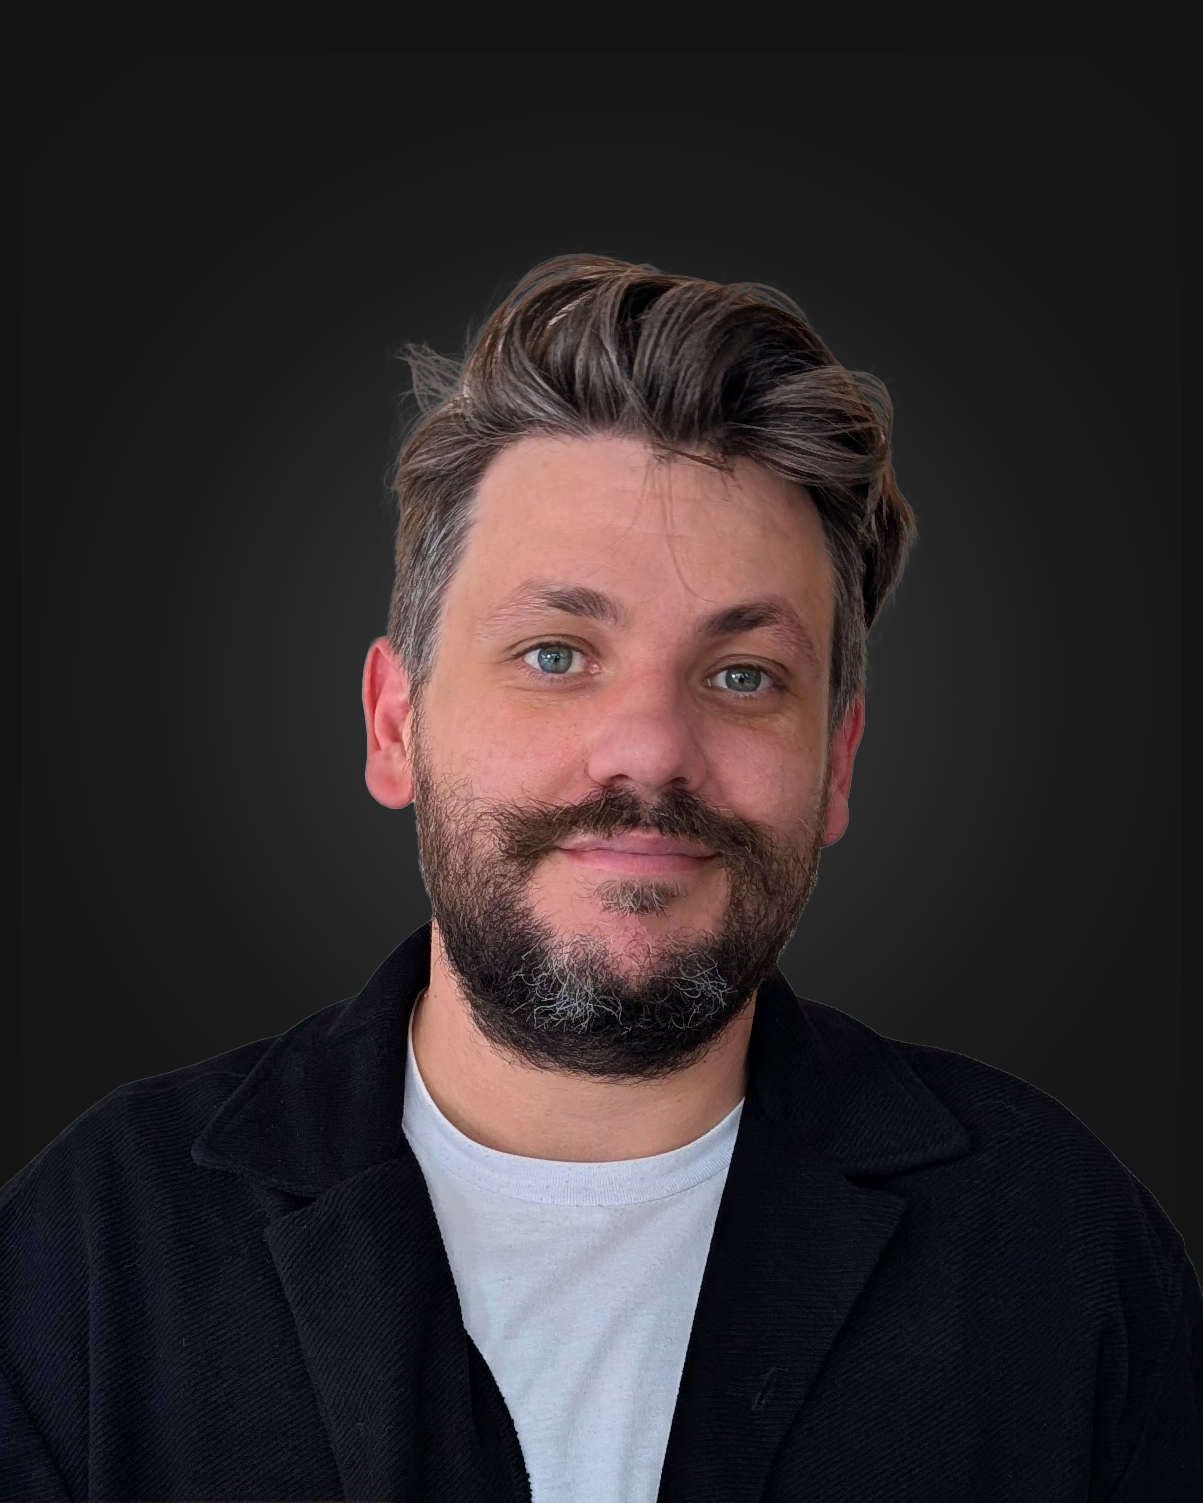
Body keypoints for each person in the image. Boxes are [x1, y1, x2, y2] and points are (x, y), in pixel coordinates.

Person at [3, 254, 1199, 1501]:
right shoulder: (94, 1254)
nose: (650, 750)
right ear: (395, 723)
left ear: (836, 761)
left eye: (743, 675)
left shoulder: (1061, 1256)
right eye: (557, 651)